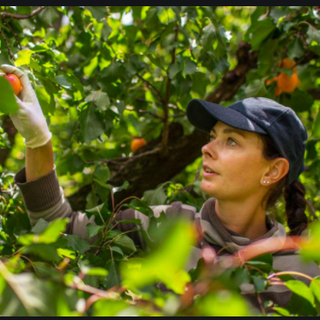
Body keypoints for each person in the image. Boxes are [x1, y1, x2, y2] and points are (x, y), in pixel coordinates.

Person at [2, 64, 320, 311]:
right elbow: (60, 230)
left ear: (273, 170)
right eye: (213, 136)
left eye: (232, 141)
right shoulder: (166, 224)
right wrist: (38, 141)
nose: (206, 149)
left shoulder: (303, 271)